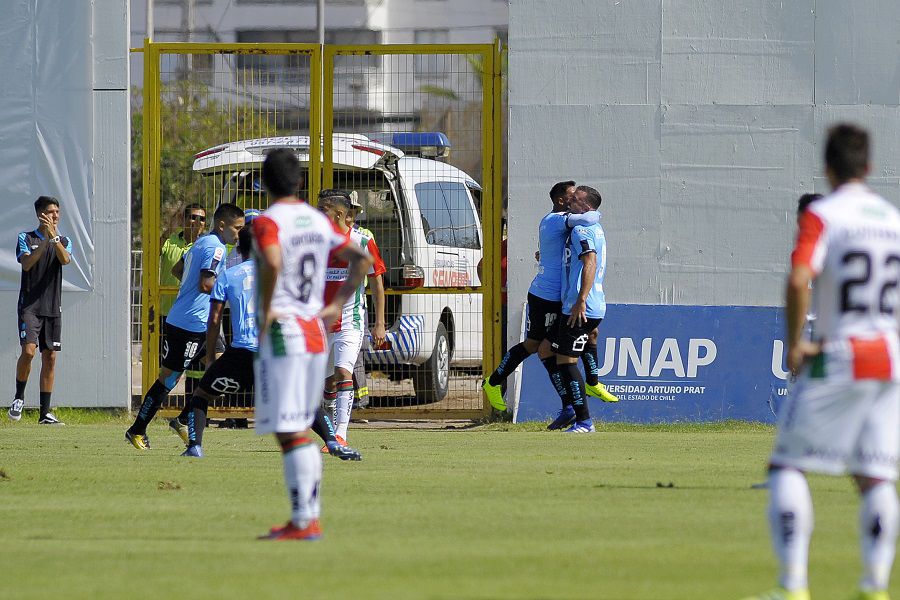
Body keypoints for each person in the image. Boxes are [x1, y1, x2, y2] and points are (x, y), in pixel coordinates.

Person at [743, 124, 900, 600]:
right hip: (889, 357)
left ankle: (792, 585)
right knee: (875, 474)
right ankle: (874, 585)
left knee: (788, 467)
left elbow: (798, 280)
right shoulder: (892, 219)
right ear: (869, 167)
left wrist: (796, 343)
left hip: (842, 353)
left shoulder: (823, 215)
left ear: (827, 168)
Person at [252, 148, 371, 541]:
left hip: (285, 331)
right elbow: (361, 260)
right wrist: (336, 303)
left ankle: (305, 519)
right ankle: (305, 518)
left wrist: (267, 310)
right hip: (315, 332)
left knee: (289, 427)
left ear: (264, 183)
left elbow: (271, 262)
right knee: (297, 423)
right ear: (299, 182)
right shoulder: (316, 222)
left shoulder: (269, 221)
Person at [181, 224, 362, 461]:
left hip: (241, 353)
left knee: (202, 395)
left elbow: (214, 319)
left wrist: (214, 357)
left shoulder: (228, 275)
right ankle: (332, 441)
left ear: (239, 247)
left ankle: (195, 446)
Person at [481, 180, 615, 412]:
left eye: (577, 197)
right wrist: (593, 208)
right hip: (544, 296)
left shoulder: (566, 227)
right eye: (572, 196)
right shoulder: (556, 220)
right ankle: (493, 382)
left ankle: (583, 392)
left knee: (586, 333)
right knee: (535, 345)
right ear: (561, 201)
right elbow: (589, 217)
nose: (574, 199)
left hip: (561, 298)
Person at [125, 202, 244, 449]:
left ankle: (181, 419)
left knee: (221, 371)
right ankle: (136, 430)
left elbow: (178, 270)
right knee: (169, 379)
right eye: (237, 228)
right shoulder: (216, 249)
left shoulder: (201, 243)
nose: (239, 233)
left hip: (197, 321)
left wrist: (191, 291)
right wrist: (233, 294)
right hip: (190, 324)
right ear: (222, 225)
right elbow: (205, 284)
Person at [318, 189, 386, 450]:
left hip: (351, 320)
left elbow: (377, 282)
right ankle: (331, 425)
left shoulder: (361, 242)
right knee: (326, 383)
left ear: (338, 213)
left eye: (322, 208)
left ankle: (340, 435)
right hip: (320, 324)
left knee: (344, 371)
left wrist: (379, 323)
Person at [547, 185, 608, 433]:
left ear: (586, 207)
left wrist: (581, 299)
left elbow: (590, 262)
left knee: (566, 361)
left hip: (580, 307)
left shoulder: (582, 228)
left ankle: (584, 421)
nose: (571, 201)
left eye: (577, 199)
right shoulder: (596, 228)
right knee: (548, 350)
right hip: (583, 305)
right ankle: (576, 407)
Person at [8, 196, 73, 424]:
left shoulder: (64, 240)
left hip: (52, 307)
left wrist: (53, 239)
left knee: (51, 357)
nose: (55, 216)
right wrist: (44, 240)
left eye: (57, 212)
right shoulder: (26, 238)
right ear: (40, 215)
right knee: (29, 352)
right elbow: (26, 264)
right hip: (30, 307)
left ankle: (44, 413)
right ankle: (18, 397)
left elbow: (65, 260)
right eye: (50, 212)